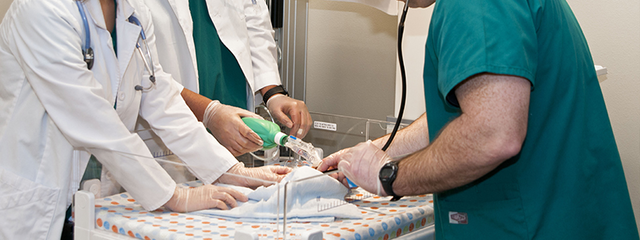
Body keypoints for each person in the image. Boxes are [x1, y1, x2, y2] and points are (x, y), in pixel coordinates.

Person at [318, 0, 639, 239]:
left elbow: (492, 134)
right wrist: (379, 149)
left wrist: (389, 177)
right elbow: (473, 111)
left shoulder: (475, 5)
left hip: (529, 225)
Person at [0, 0, 291, 238]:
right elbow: (93, 121)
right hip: (38, 201)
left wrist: (228, 170)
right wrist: (173, 196)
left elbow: (158, 95)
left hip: (95, 202)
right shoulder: (41, 9)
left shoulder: (133, 12)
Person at [143, 0, 312, 157]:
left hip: (230, 92)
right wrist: (210, 113)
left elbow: (253, 14)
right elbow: (143, 73)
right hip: (170, 110)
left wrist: (273, 92)